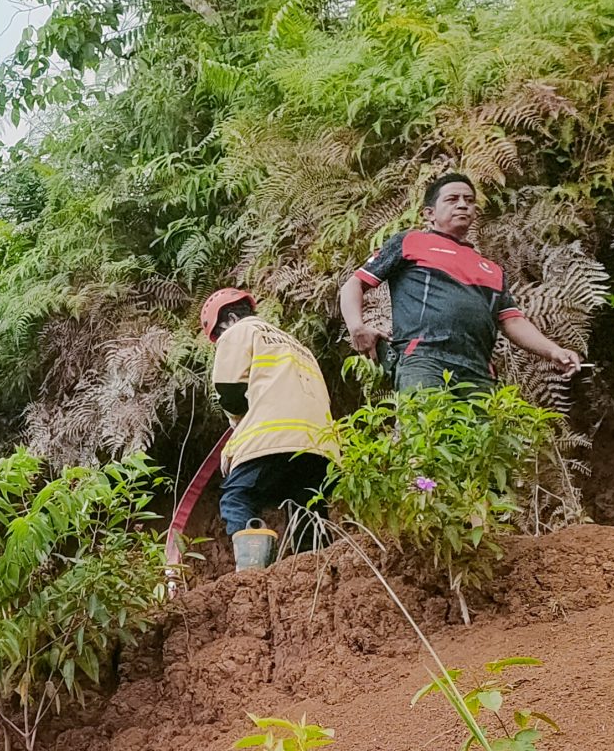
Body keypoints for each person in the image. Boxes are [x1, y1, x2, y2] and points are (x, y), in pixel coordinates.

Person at [340, 173, 582, 392]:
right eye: (452, 199)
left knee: (480, 430)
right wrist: (356, 327)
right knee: (426, 427)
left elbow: (513, 321)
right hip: (424, 360)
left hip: (479, 370)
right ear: (429, 213)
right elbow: (355, 284)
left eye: (469, 200)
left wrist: (553, 350)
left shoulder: (492, 269)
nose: (463, 204)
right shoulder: (411, 242)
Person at [202, 288, 339, 553]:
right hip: (319, 445)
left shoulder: (240, 332)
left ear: (231, 319)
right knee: (306, 508)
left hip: (272, 437)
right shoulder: (299, 347)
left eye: (218, 332)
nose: (221, 339)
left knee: (237, 498)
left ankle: (251, 569)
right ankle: (317, 567)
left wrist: (236, 421)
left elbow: (230, 392)